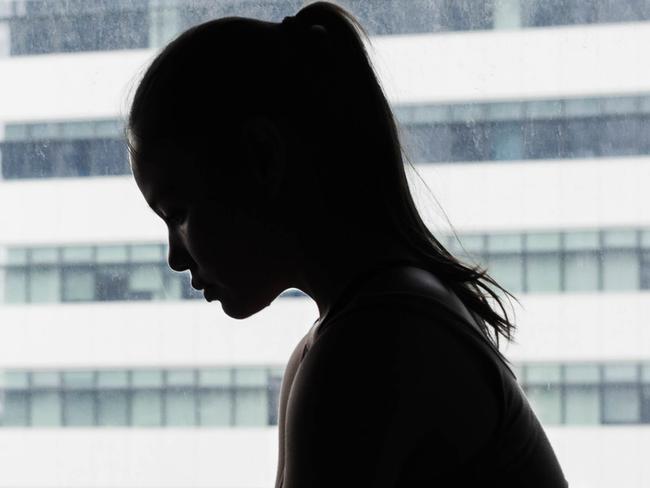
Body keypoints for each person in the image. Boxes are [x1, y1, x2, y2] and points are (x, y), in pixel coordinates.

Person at [125, 1, 569, 486]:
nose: (174, 256)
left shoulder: (369, 344)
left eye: (180, 214)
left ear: (263, 159)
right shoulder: (360, 328)